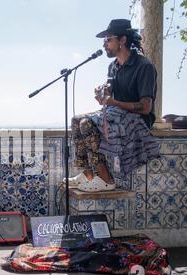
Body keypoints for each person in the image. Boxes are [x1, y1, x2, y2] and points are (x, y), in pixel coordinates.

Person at [66, 19, 160, 192]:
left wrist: (113, 102)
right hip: (117, 115)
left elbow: (146, 108)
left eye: (108, 39)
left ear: (122, 40)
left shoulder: (144, 66)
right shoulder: (113, 66)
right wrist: (102, 95)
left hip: (138, 121)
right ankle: (88, 175)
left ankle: (106, 179)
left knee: (87, 123)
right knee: (75, 120)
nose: (104, 44)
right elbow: (109, 98)